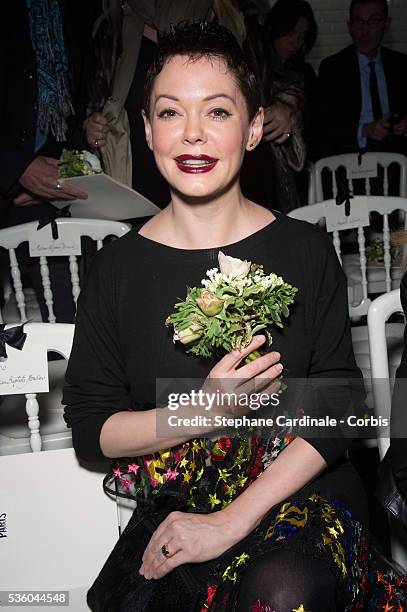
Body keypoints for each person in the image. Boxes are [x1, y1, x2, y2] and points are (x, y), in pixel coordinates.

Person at [63, 22, 406, 611]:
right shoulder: (115, 270)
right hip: (186, 492)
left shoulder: (303, 248)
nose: (192, 134)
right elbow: (92, 430)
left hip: (306, 483)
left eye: (217, 112)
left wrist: (232, 520)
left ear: (252, 130)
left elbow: (341, 404)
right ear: (147, 131)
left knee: (281, 589)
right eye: (170, 113)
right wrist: (204, 409)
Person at [0, 0, 97, 321]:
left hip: (49, 181)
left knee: (64, 309)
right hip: (14, 169)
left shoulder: (76, 10)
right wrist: (15, 169)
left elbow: (76, 93)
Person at [240, 0, 318, 211]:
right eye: (291, 33)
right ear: (276, 29)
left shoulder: (303, 73)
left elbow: (313, 128)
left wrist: (292, 113)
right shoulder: (252, 62)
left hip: (291, 177)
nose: (295, 42)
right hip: (257, 175)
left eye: (301, 37)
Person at [317, 0, 407, 159]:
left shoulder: (401, 65)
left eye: (373, 21)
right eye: (358, 22)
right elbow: (324, 125)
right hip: (351, 159)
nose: (365, 30)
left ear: (386, 25)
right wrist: (363, 130)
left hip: (398, 158)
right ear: (349, 26)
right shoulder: (333, 68)